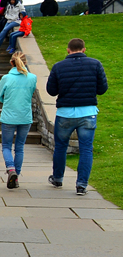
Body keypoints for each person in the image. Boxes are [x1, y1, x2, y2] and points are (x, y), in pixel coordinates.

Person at [46, 38, 108, 195]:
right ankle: (81, 185)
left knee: (61, 146)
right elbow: (102, 89)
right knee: (86, 149)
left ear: (68, 50)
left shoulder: (58, 66)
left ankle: (58, 178)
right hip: (87, 112)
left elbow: (51, 91)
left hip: (65, 113)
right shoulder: (95, 64)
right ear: (84, 49)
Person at [0, 51, 37, 189]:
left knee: (6, 146)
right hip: (25, 116)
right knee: (19, 147)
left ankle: (11, 169)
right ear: (25, 62)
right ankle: (16, 177)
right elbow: (31, 93)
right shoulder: (32, 78)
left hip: (9, 116)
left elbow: (0, 96)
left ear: (11, 62)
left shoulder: (6, 78)